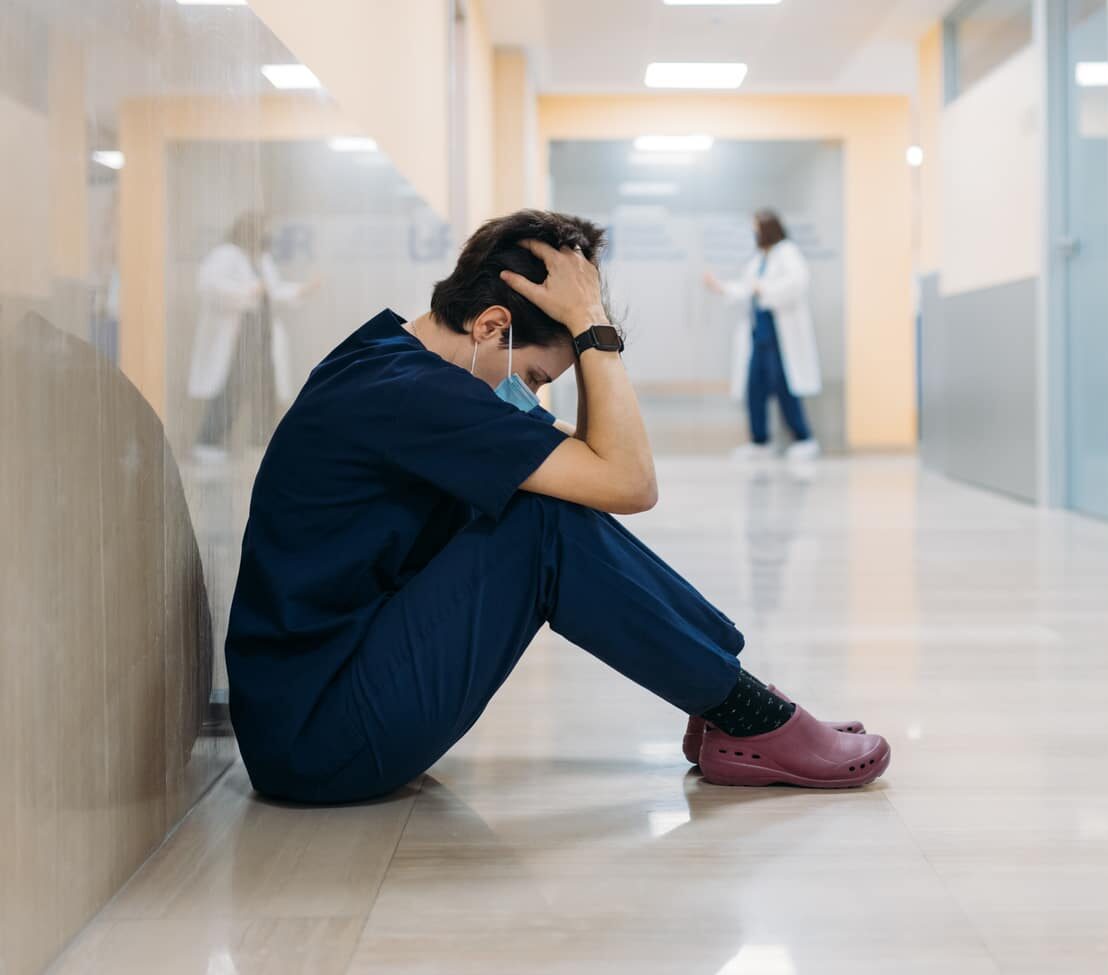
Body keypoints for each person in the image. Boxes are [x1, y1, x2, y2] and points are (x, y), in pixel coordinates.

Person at [224, 209, 887, 804]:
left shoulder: (399, 364)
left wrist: (584, 322)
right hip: (318, 741)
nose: (535, 398)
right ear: (492, 327)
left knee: (547, 501)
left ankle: (735, 702)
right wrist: (592, 328)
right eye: (538, 378)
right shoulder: (414, 395)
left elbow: (600, 464)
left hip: (322, 707)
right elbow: (632, 482)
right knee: (540, 523)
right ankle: (742, 710)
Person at [187, 211, 314, 462]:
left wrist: (302, 289)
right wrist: (248, 291)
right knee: (231, 388)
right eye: (262, 229)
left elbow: (274, 291)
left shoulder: (261, 259)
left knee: (265, 390)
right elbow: (210, 285)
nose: (266, 235)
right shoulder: (226, 255)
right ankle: (208, 444)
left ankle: (261, 444)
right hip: (238, 334)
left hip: (261, 334)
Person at [703, 209, 822, 462]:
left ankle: (804, 438)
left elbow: (797, 283)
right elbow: (747, 289)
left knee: (785, 387)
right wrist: (721, 287)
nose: (753, 233)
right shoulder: (760, 259)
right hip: (760, 336)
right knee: (754, 388)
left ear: (768, 228)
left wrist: (764, 288)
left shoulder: (787, 252)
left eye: (756, 228)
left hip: (781, 336)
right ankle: (760, 441)